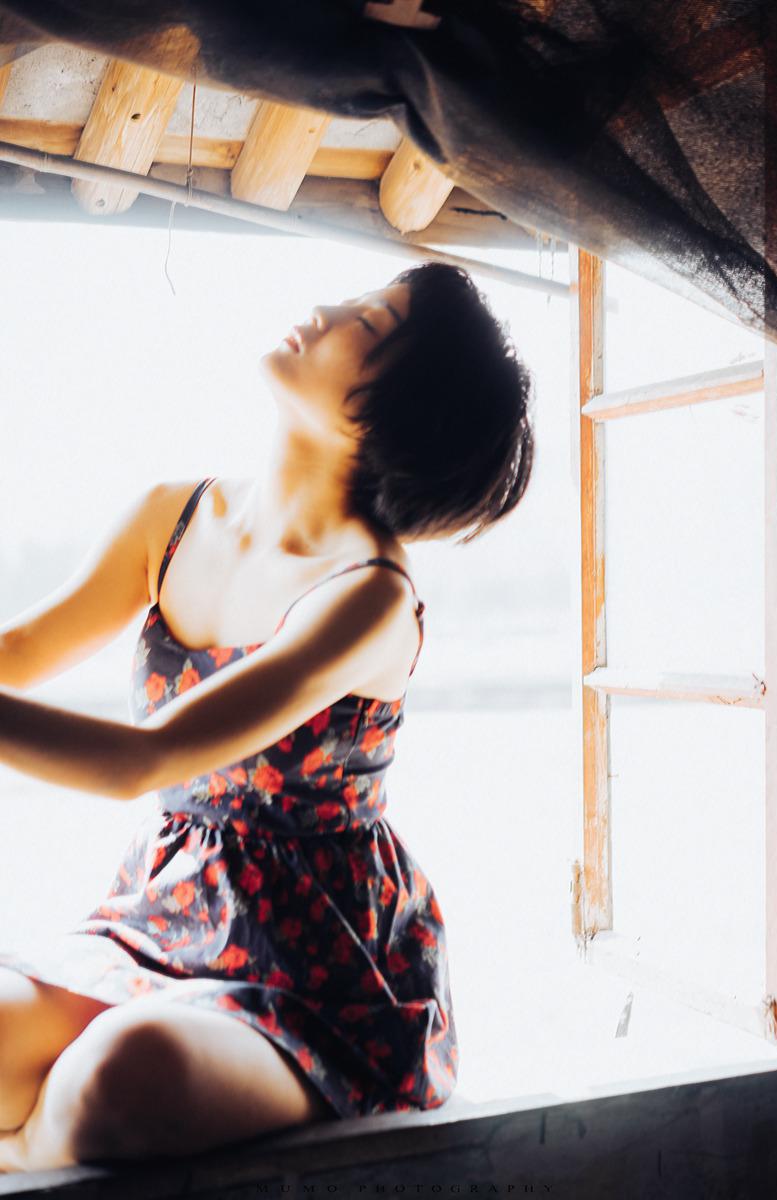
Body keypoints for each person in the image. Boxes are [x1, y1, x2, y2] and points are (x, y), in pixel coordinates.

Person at [0, 260, 536, 1173]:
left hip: (317, 971)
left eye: (370, 323)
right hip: (162, 915)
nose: (325, 310)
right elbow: (15, 653)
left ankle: (22, 1153)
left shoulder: (370, 597)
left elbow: (146, 759)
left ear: (399, 410)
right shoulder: (172, 518)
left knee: (113, 1082)